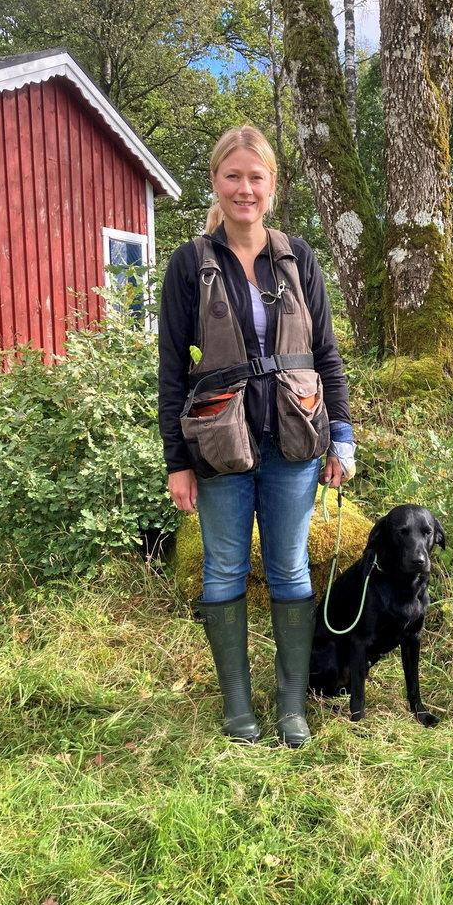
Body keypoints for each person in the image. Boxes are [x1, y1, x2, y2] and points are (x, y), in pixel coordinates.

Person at [158, 124, 355, 747]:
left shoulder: (299, 258)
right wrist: (177, 460)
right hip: (217, 442)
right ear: (216, 181)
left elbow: (326, 353)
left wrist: (342, 436)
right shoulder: (191, 263)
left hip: (295, 437)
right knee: (222, 570)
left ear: (273, 186)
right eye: (233, 176)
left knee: (290, 569)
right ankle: (238, 707)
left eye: (257, 177)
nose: (245, 188)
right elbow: (170, 369)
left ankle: (290, 705)